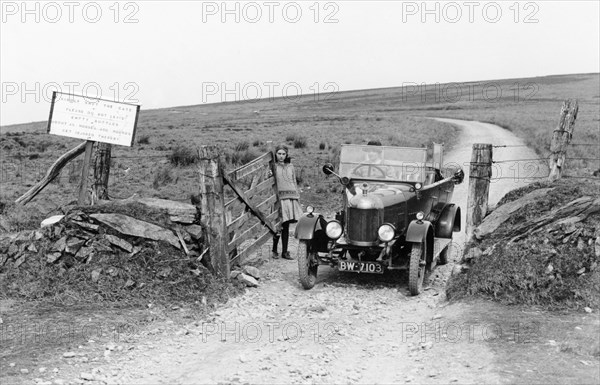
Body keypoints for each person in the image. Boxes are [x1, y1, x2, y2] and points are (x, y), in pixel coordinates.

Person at [271, 145, 303, 260]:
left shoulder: (290, 166)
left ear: (286, 155)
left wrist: (296, 196)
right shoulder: (273, 167)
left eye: (283, 154)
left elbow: (293, 181)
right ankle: (274, 250)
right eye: (279, 154)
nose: (281, 156)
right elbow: (269, 181)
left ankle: (285, 251)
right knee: (278, 225)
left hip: (290, 198)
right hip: (279, 199)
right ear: (275, 154)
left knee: (286, 225)